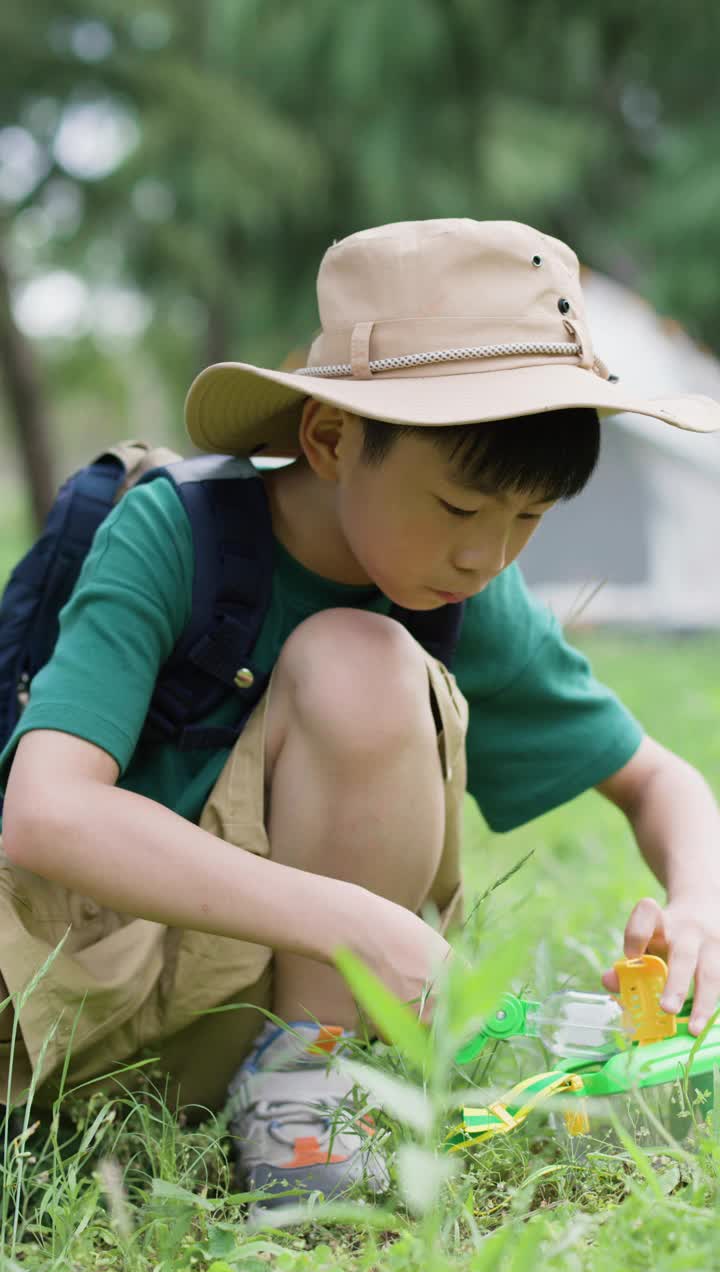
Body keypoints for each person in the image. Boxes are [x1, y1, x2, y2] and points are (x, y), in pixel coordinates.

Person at [1, 219, 719, 1212]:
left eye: (530, 518)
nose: (489, 556)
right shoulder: (171, 532)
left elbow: (660, 780)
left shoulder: (457, 589)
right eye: (462, 508)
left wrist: (698, 906)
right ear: (332, 439)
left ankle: (309, 1099)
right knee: (359, 659)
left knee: (370, 659)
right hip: (72, 1015)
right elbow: (46, 814)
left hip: (253, 1030)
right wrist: (349, 923)